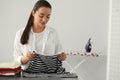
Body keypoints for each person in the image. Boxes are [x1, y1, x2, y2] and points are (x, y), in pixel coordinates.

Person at [13, 0, 66, 71]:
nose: (44, 20)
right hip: (26, 75)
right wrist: (26, 58)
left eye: (48, 16)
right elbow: (16, 60)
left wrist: (62, 57)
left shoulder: (53, 33)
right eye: (41, 16)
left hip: (50, 76)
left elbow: (59, 54)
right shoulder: (20, 33)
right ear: (33, 13)